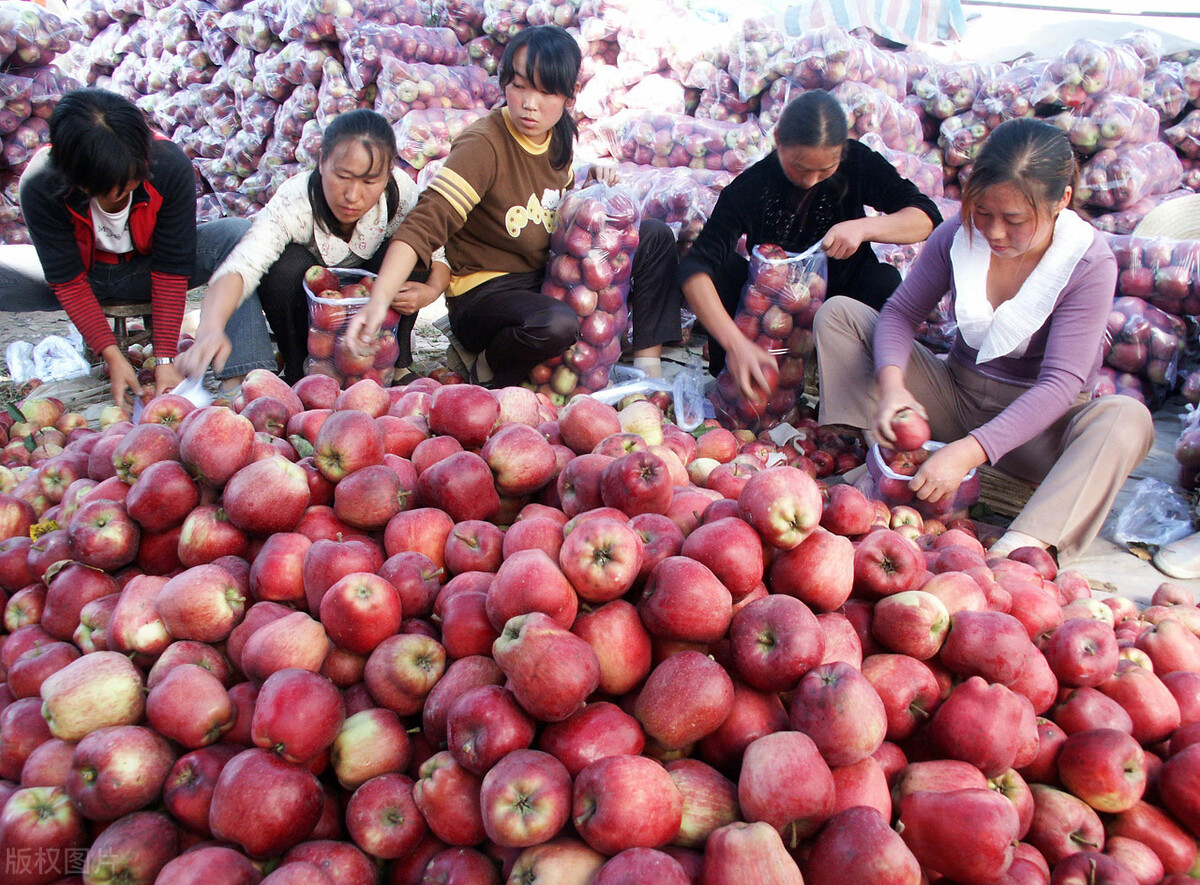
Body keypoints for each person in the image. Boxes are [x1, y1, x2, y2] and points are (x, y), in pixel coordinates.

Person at [813, 117, 1154, 564]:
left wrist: (970, 452)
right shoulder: (957, 235)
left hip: (1037, 435)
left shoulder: (1089, 262)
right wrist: (893, 386)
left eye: (1014, 220)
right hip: (955, 398)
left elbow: (1059, 384)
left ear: (1061, 202)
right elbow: (899, 313)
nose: (993, 233)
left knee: (1128, 419)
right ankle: (883, 464)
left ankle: (1023, 546)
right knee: (840, 315)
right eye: (983, 213)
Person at [343, 25, 682, 388]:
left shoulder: (560, 136)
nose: (529, 103)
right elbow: (423, 225)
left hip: (544, 276)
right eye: (519, 86)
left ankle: (648, 372)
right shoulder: (483, 145)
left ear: (571, 94)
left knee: (655, 236)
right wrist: (378, 303)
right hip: (486, 292)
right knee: (557, 324)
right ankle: (486, 363)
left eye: (546, 91)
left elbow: (553, 210)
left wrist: (589, 187)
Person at [678, 88, 942, 399]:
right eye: (800, 168)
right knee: (721, 268)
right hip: (772, 313)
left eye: (826, 169)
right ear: (778, 139)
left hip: (841, 302)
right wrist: (735, 342)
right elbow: (695, 267)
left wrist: (864, 228)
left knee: (884, 281)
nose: (811, 180)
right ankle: (739, 373)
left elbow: (927, 217)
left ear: (841, 151)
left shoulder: (857, 162)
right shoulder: (751, 187)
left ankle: (854, 392)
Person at [0, 88, 254, 408]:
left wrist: (164, 360)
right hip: (82, 277)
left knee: (239, 234)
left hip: (145, 271)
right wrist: (112, 355)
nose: (122, 193)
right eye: (108, 190)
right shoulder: (41, 182)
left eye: (132, 182)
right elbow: (67, 280)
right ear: (75, 179)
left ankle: (245, 380)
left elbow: (171, 270)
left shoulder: (168, 165)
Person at [177, 109, 450, 389]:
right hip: (310, 300)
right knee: (282, 266)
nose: (352, 195)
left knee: (411, 251)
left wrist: (429, 292)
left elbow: (438, 254)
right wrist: (211, 326)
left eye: (369, 182)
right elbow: (240, 267)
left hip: (374, 284)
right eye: (342, 176)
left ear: (388, 172)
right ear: (321, 162)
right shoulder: (294, 202)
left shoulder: (400, 193)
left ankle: (394, 363)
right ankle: (301, 369)